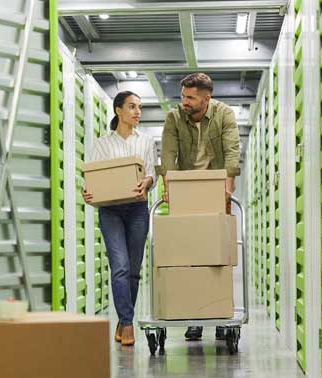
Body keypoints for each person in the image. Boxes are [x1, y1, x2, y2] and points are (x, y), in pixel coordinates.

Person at [157, 72, 241, 341]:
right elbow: (168, 154)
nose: (184, 101)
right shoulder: (174, 118)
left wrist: (228, 186)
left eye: (190, 97)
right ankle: (195, 316)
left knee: (218, 256)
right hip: (186, 189)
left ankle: (217, 313)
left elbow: (232, 150)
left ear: (207, 98)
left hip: (215, 187)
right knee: (189, 257)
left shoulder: (224, 114)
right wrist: (168, 187)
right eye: (183, 96)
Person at [83, 91, 157, 346]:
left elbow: (150, 174)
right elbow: (91, 178)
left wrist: (147, 182)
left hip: (137, 209)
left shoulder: (146, 142)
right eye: (132, 107)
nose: (137, 112)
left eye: (139, 107)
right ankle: (127, 324)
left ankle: (123, 318)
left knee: (134, 272)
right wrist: (87, 192)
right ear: (118, 111)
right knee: (121, 267)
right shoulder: (101, 144)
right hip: (111, 211)